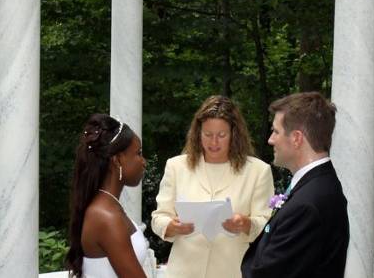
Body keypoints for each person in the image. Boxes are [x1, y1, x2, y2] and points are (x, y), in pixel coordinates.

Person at [151, 95, 274, 278]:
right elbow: (158, 218)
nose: (213, 142)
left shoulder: (258, 171)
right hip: (183, 272)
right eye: (207, 135)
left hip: (232, 271)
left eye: (221, 135)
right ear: (197, 133)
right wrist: (172, 226)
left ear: (234, 134)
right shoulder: (176, 166)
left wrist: (246, 224)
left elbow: (268, 227)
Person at [241, 91, 349, 278]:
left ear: (297, 138)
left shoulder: (308, 204)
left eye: (275, 131)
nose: (270, 139)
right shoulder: (317, 185)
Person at [66, 114, 149, 278]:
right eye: (138, 153)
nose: (143, 161)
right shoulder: (105, 216)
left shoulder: (108, 205)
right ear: (117, 160)